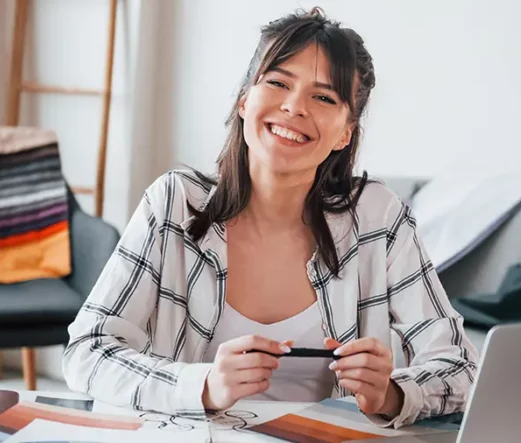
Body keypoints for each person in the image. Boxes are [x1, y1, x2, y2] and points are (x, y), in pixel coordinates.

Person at [62, 7, 479, 429]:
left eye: (323, 97)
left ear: (345, 132)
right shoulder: (175, 204)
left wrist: (391, 393)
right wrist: (201, 386)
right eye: (278, 83)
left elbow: (461, 368)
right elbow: (87, 351)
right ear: (245, 100)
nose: (294, 107)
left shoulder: (378, 218)